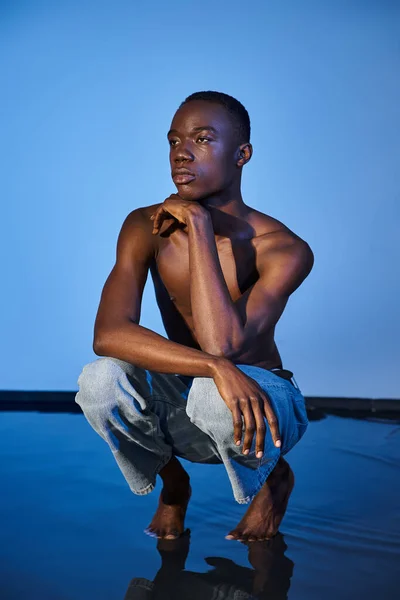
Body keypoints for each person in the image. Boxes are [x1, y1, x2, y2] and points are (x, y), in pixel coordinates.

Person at [75, 91, 314, 543]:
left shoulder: (284, 249)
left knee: (210, 395)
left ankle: (274, 477)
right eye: (174, 140)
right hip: (196, 379)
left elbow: (223, 346)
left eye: (202, 139)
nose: (181, 152)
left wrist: (198, 225)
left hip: (263, 396)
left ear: (241, 155)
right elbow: (108, 334)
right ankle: (173, 484)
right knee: (99, 381)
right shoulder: (143, 225)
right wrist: (211, 367)